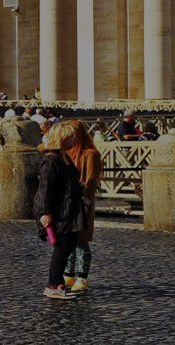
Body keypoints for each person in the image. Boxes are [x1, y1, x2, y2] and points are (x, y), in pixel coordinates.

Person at [33, 123, 84, 300]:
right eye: (71, 137)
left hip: (70, 210)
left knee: (68, 245)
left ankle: (58, 282)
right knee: (61, 248)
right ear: (62, 138)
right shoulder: (51, 160)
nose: (74, 139)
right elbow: (45, 189)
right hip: (59, 212)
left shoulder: (65, 157)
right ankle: (53, 285)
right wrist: (45, 212)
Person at [60, 120, 102, 293]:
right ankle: (68, 274)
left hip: (83, 202)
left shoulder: (90, 154)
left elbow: (91, 180)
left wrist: (83, 198)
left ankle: (82, 277)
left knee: (81, 241)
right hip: (68, 201)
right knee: (69, 240)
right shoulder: (67, 153)